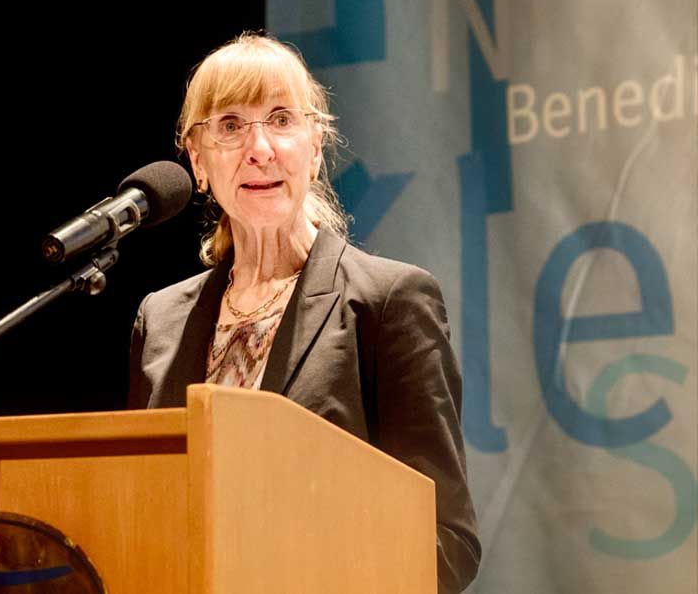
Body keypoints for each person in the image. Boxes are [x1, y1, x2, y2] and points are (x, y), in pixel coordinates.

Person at [128, 33, 480, 593]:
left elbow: (447, 542)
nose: (260, 148)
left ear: (315, 148)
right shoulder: (162, 320)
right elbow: (139, 510)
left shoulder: (388, 302)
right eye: (230, 125)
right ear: (197, 161)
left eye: (281, 119)